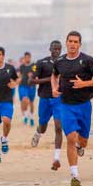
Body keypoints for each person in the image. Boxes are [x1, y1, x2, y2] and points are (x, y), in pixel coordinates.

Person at [51, 31, 93, 186]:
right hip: (66, 105)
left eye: (76, 42)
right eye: (70, 41)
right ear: (66, 43)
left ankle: (81, 147)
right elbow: (54, 76)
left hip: (84, 105)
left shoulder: (87, 60)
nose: (73, 44)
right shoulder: (59, 61)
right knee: (71, 138)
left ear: (80, 44)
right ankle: (74, 175)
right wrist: (54, 88)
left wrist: (85, 84)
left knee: (82, 141)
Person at [30, 41, 64, 170]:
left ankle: (56, 158)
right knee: (43, 126)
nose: (57, 51)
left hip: (58, 98)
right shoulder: (41, 63)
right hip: (44, 98)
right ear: (50, 49)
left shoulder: (64, 63)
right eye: (54, 49)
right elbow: (31, 80)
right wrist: (50, 79)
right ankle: (38, 134)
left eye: (59, 49)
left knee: (58, 127)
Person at [18, 52, 36, 126]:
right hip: (23, 86)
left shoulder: (33, 66)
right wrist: (18, 79)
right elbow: (19, 75)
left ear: (30, 57)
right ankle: (25, 115)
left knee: (31, 102)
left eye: (28, 57)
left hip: (31, 86)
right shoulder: (21, 66)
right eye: (26, 57)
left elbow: (36, 74)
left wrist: (32, 75)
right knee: (25, 99)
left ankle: (31, 117)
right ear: (24, 58)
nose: (27, 59)